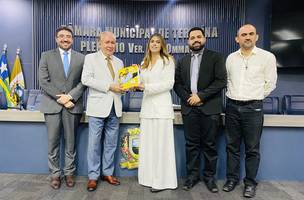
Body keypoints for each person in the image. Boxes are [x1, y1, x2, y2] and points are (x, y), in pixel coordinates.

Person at [223, 24, 277, 198]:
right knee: (232, 147)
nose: (247, 37)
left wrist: (256, 96)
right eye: (243, 34)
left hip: (253, 108)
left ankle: (250, 183)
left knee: (252, 149)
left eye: (250, 34)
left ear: (256, 37)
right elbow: (227, 81)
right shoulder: (230, 58)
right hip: (231, 106)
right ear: (237, 39)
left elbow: (271, 83)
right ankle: (232, 179)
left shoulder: (267, 57)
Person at [174, 27, 227, 193]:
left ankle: (209, 178)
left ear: (204, 38)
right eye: (192, 37)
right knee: (191, 145)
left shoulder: (216, 57)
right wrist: (190, 98)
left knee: (210, 145)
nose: (196, 40)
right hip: (190, 109)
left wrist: (200, 96)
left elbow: (221, 81)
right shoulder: (182, 61)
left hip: (210, 108)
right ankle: (192, 176)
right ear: (188, 41)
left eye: (199, 37)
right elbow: (177, 84)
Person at [39, 26, 85, 189]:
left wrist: (70, 97)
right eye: (61, 36)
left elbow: (83, 82)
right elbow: (44, 81)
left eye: (68, 36)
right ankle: (55, 175)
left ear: (72, 39)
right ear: (56, 38)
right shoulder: (46, 56)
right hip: (52, 106)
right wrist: (63, 99)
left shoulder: (81, 58)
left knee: (70, 143)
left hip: (73, 106)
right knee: (53, 143)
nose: (65, 39)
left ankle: (69, 173)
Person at [81, 31, 125, 192]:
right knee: (94, 144)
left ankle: (107, 173)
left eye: (113, 42)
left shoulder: (119, 62)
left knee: (111, 144)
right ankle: (93, 176)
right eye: (107, 42)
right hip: (97, 108)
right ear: (99, 43)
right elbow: (86, 79)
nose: (110, 45)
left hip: (115, 107)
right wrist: (109, 86)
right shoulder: (90, 58)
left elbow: (119, 84)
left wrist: (125, 87)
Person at [136, 33, 178, 192]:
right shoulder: (144, 63)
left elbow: (169, 84)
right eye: (152, 41)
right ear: (148, 44)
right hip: (147, 109)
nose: (154, 44)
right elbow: (141, 83)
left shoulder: (168, 61)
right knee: (148, 146)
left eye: (157, 42)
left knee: (162, 147)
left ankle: (162, 181)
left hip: (162, 109)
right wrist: (134, 84)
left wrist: (146, 87)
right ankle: (148, 178)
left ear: (162, 45)